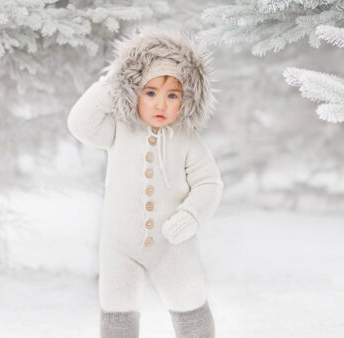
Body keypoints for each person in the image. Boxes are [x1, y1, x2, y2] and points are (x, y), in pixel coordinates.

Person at [67, 25, 223, 338]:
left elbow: (210, 183)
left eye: (172, 95)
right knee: (117, 308)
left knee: (189, 301)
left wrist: (190, 216)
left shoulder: (188, 140)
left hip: (173, 244)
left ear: (187, 98)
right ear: (133, 92)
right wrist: (112, 82)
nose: (161, 104)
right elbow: (80, 124)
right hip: (119, 245)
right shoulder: (119, 131)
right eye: (150, 93)